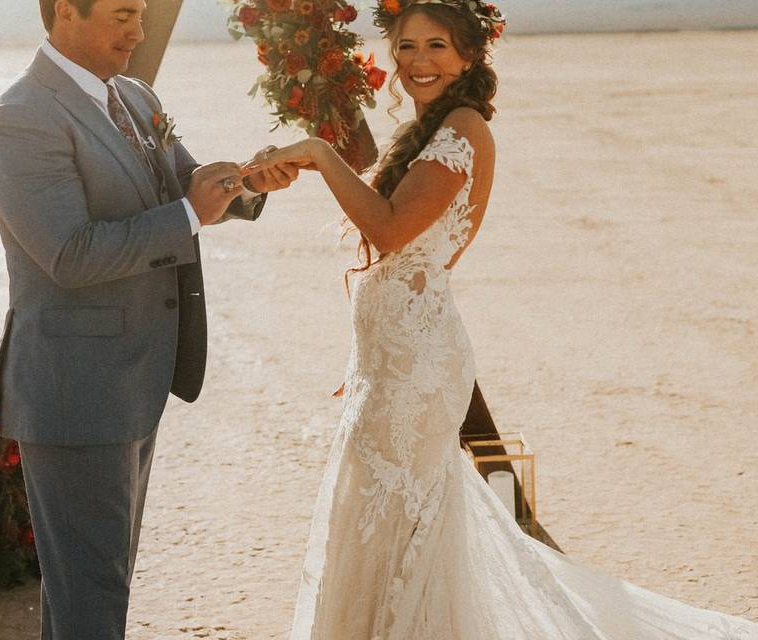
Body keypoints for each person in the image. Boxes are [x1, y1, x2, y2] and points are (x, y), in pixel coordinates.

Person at [252, 1, 758, 637]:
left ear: (468, 57)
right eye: (407, 47)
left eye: (437, 47)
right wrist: (302, 159)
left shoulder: (461, 133)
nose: (418, 61)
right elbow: (384, 214)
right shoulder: (432, 129)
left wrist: (321, 155)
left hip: (416, 365)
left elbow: (387, 230)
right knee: (398, 520)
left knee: (408, 519)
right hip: (395, 360)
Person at [0, 0, 297, 637]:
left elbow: (186, 180)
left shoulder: (135, 95)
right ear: (67, 11)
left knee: (96, 587)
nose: (139, 31)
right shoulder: (18, 119)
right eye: (123, 14)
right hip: (74, 391)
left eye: (142, 14)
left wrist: (250, 183)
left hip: (134, 384)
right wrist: (187, 217)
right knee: (91, 591)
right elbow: (69, 254)